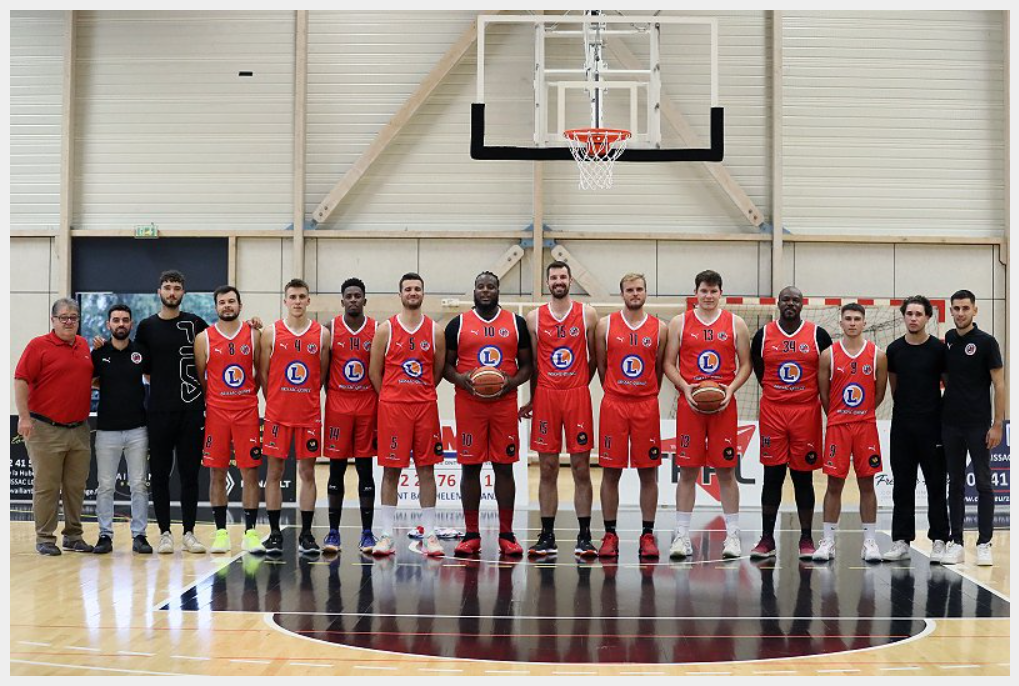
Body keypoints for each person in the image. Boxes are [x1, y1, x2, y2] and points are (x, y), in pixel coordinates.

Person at [663, 270, 753, 559]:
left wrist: (730, 390)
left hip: (723, 406)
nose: (709, 296)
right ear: (696, 293)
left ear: (721, 293)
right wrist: (685, 387)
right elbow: (668, 363)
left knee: (726, 471)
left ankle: (732, 535)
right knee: (687, 471)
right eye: (704, 291)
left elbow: (746, 364)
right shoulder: (680, 322)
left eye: (714, 291)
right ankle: (681, 536)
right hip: (690, 405)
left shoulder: (736, 323)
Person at [443, 271, 532, 557]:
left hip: (504, 405)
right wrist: (461, 379)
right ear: (474, 290)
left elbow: (528, 366)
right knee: (470, 467)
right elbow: (445, 366)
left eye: (490, 287)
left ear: (497, 291)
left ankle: (506, 534)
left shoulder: (516, 323)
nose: (485, 291)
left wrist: (512, 383)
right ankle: (471, 534)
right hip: (469, 405)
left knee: (504, 467)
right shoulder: (457, 324)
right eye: (480, 286)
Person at [519, 261, 599, 557]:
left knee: (581, 468)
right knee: (548, 468)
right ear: (547, 282)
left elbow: (595, 357)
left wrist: (580, 385)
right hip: (546, 396)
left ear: (570, 280)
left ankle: (585, 536)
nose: (558, 281)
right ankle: (547, 535)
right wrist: (533, 398)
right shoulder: (533, 317)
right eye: (553, 277)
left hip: (576, 395)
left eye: (563, 276)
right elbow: (534, 364)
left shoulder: (587, 313)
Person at [749, 286, 832, 559]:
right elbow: (759, 370)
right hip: (773, 412)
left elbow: (827, 371)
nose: (790, 304)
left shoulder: (818, 335)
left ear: (802, 304)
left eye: (795, 300)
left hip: (806, 413)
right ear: (778, 303)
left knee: (802, 477)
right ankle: (767, 538)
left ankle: (806, 538)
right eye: (786, 299)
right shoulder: (763, 335)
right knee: (772, 476)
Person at [368, 272, 447, 557]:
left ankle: (430, 534)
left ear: (423, 293)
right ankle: (387, 534)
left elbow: (437, 372)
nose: (413, 293)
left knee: (427, 470)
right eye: (408, 289)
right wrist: (391, 396)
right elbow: (374, 371)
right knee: (391, 471)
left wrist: (419, 392)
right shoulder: (385, 330)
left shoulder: (435, 331)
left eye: (417, 289)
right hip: (393, 408)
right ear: (400, 294)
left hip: (424, 407)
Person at [135, 270, 209, 555]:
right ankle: (165, 533)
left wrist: (251, 327)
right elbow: (143, 369)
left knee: (190, 475)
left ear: (183, 293)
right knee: (160, 474)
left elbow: (222, 345)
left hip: (191, 411)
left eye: (177, 288)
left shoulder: (196, 323)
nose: (172, 292)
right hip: (159, 412)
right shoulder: (146, 327)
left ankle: (189, 532)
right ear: (159, 292)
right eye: (167, 287)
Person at [14, 298, 96, 556]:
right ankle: (45, 538)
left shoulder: (83, 345)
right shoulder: (38, 345)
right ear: (53, 320)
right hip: (45, 429)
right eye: (64, 317)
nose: (69, 321)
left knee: (75, 487)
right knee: (47, 486)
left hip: (79, 430)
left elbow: (89, 379)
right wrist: (24, 417)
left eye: (73, 317)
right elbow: (21, 380)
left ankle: (73, 536)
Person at [595, 273, 667, 559]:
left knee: (648, 472)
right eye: (629, 290)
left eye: (639, 289)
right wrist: (617, 390)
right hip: (614, 403)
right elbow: (601, 366)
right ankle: (610, 534)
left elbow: (659, 368)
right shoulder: (605, 325)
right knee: (610, 471)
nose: (635, 293)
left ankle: (647, 534)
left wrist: (645, 393)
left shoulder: (660, 328)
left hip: (645, 405)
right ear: (622, 293)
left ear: (646, 292)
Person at [258, 278, 330, 555]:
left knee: (307, 473)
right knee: (274, 473)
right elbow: (264, 373)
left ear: (308, 300)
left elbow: (321, 374)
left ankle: (307, 534)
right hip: (277, 415)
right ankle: (275, 534)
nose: (297, 301)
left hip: (308, 415)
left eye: (302, 297)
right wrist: (275, 401)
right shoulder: (270, 333)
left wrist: (306, 397)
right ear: (285, 301)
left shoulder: (322, 334)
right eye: (293, 297)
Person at [814, 303, 888, 563]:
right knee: (834, 484)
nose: (853, 323)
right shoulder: (828, 355)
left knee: (867, 483)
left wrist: (862, 413)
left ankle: (869, 542)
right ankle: (828, 541)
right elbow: (824, 394)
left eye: (857, 319)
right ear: (841, 322)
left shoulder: (878, 355)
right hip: (838, 427)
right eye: (848, 318)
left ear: (864, 323)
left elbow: (879, 393)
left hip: (865, 426)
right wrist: (838, 416)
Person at [194, 286, 265, 555]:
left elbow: (260, 372)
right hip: (217, 413)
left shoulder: (254, 334)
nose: (227, 306)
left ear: (240, 305)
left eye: (231, 301)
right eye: (222, 302)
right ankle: (221, 533)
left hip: (246, 411)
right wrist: (216, 398)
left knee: (250, 472)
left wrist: (247, 395)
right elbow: (201, 377)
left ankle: (250, 533)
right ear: (215, 307)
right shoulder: (204, 338)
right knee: (217, 472)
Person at [883, 295, 949, 562]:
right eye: (909, 314)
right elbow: (894, 388)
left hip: (933, 428)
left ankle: (940, 540)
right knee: (902, 485)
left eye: (918, 314)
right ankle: (901, 541)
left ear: (927, 317)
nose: (913, 318)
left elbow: (948, 385)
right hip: (902, 427)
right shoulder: (894, 350)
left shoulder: (938, 350)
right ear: (904, 316)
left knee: (936, 485)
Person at [941, 289, 1005, 566]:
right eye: (956, 308)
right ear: (951, 311)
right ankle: (956, 542)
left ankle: (984, 543)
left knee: (983, 483)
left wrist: (998, 424)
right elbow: (946, 377)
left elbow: (999, 385)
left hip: (978, 425)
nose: (960, 313)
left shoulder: (987, 342)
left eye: (965, 308)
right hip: (950, 424)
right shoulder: (948, 340)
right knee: (954, 483)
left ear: (975, 310)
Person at [91, 303, 152, 555]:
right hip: (107, 430)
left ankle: (140, 535)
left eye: (125, 320)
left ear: (131, 323)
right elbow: (92, 381)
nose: (120, 324)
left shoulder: (140, 351)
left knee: (138, 485)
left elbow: (151, 378)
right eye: (116, 320)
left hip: (138, 429)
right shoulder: (98, 353)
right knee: (105, 486)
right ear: (109, 324)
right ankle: (105, 535)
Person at [323, 277, 379, 554]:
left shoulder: (377, 329)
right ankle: (333, 532)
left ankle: (367, 533)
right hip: (338, 405)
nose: (354, 299)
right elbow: (323, 370)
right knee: (336, 468)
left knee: (365, 469)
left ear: (364, 300)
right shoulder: (330, 329)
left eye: (358, 295)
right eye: (349, 296)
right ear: (342, 300)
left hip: (367, 405)